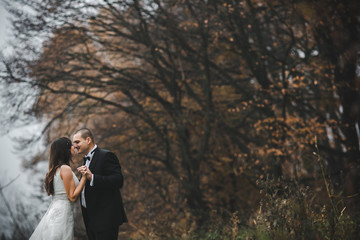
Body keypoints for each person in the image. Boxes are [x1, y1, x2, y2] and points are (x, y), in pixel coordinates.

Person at [73, 128, 127, 240]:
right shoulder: (85, 160)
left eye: (77, 142)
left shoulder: (106, 155)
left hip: (106, 218)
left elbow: (118, 180)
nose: (75, 146)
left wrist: (92, 177)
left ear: (88, 140)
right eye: (74, 143)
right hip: (90, 218)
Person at [29, 137, 87, 240]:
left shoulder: (55, 170)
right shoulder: (65, 169)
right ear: (67, 150)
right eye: (71, 145)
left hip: (55, 210)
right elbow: (72, 197)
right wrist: (84, 178)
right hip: (62, 213)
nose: (74, 147)